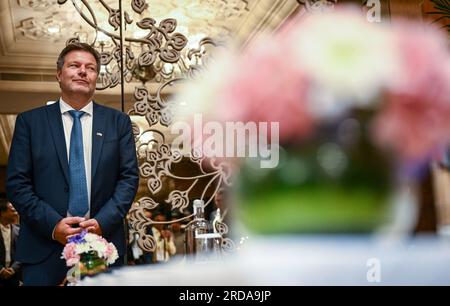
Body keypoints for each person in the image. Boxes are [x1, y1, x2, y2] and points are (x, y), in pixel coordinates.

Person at [6, 43, 139, 286]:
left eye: (90, 68)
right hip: (43, 246)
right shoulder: (30, 122)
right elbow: (17, 183)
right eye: (74, 65)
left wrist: (103, 222)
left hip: (101, 245)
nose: (82, 71)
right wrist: (53, 225)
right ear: (59, 74)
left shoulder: (118, 123)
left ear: (96, 77)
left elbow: (129, 178)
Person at [0, 199, 21, 286]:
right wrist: (1, 270)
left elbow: (23, 252)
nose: (16, 213)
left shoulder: (19, 230)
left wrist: (13, 269)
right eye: (13, 210)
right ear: (2, 213)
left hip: (14, 276)